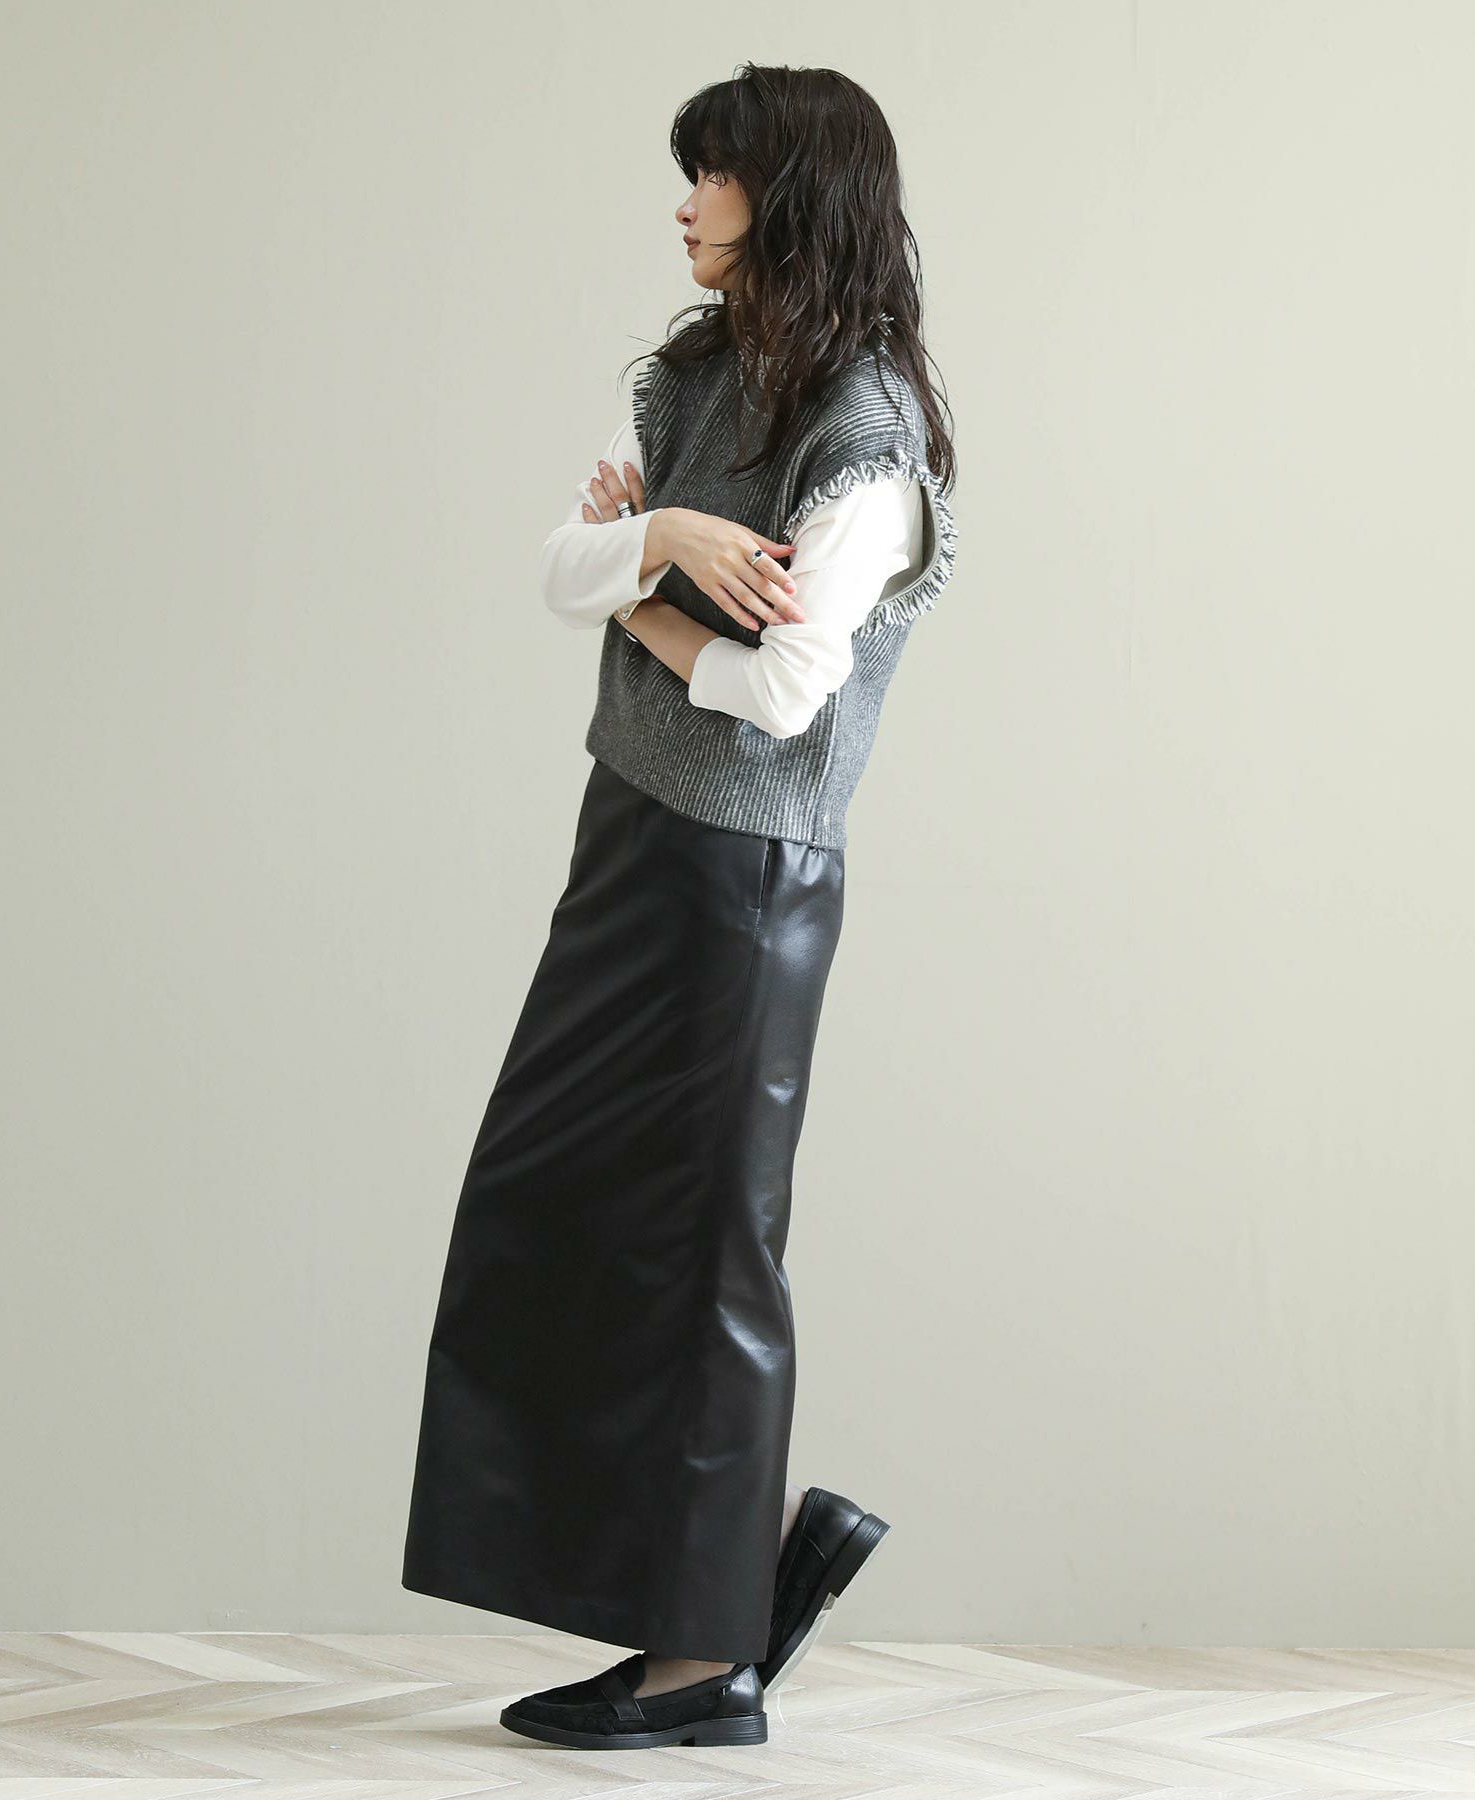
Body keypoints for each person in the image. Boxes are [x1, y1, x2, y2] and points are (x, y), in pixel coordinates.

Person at [401, 61, 959, 1752]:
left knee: (711, 1248)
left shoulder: (871, 441)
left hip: (747, 883)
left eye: (711, 174)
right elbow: (554, 567)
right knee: (550, 1205)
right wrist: (666, 537)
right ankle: (727, 1573)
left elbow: (783, 696)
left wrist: (641, 579)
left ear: (790, 198)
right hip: (629, 837)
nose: (686, 202)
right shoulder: (692, 379)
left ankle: (704, 1662)